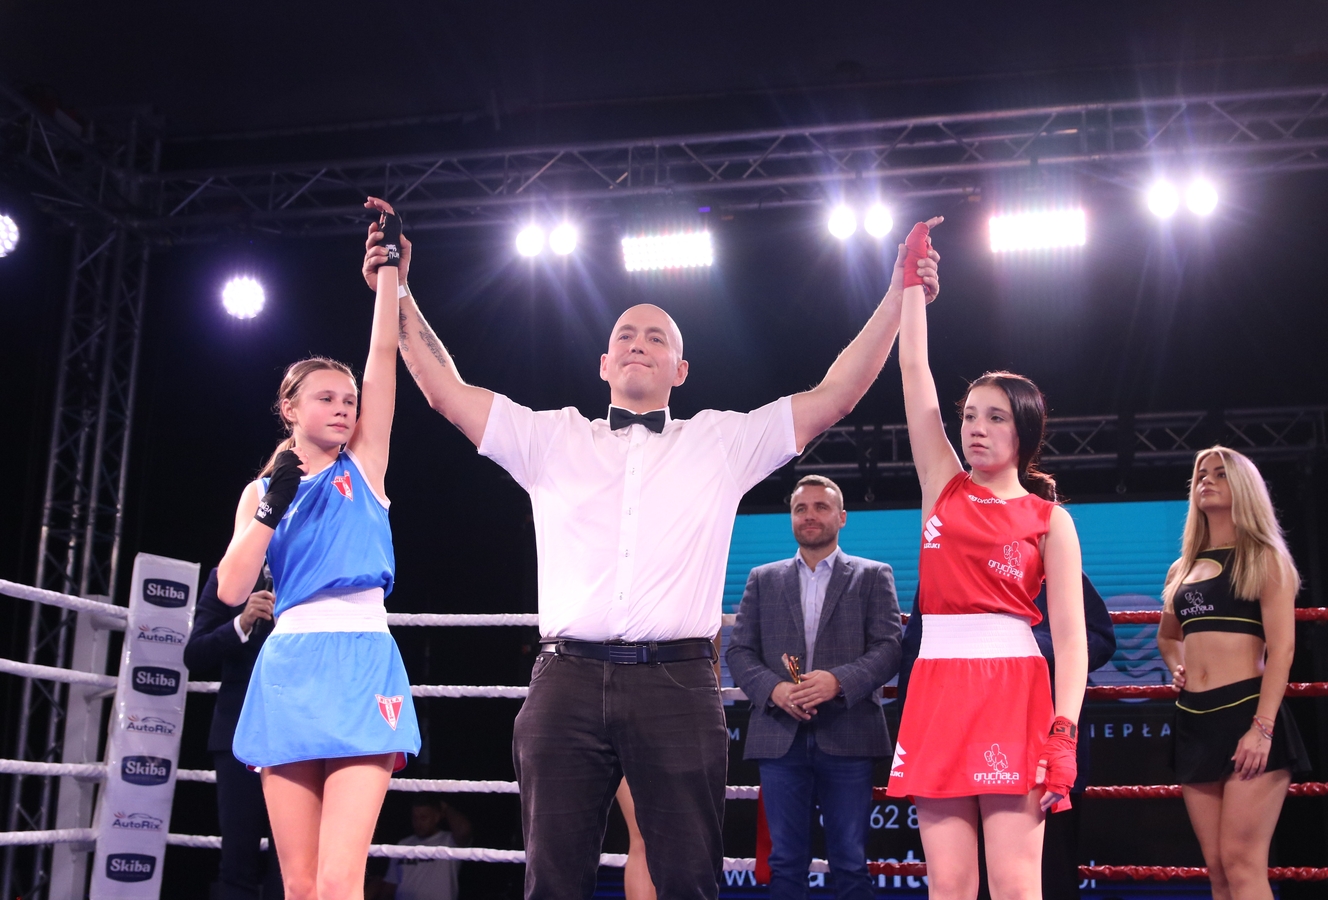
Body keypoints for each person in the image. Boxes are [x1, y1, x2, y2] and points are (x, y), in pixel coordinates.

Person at [363, 207, 940, 900]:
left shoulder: (721, 442)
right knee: (552, 882)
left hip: (678, 683)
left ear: (680, 368)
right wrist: (397, 288)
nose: (639, 343)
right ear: (604, 363)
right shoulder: (551, 438)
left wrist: (897, 292)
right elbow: (445, 391)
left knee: (689, 880)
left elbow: (836, 395)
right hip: (565, 680)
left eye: (656, 336)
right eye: (625, 335)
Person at [217, 197, 421, 900]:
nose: (343, 407)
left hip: (362, 658)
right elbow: (231, 590)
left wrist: (390, 272)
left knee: (339, 878)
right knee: (300, 886)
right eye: (326, 398)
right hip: (290, 664)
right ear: (290, 409)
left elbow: (383, 357)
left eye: (348, 399)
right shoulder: (259, 491)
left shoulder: (364, 467)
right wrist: (269, 507)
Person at [886, 230, 1088, 900]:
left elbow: (1072, 638)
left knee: (1015, 884)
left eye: (994, 417)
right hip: (937, 687)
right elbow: (913, 369)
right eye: (970, 415)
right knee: (947, 886)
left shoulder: (1050, 520)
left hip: (1014, 692)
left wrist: (1064, 730)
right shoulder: (941, 484)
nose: (975, 427)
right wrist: (912, 286)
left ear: (1022, 430)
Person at [727, 474, 902, 899]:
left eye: (821, 507)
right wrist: (774, 689)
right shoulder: (762, 578)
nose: (810, 516)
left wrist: (838, 681)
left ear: (841, 517)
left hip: (849, 734)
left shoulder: (873, 575)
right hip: (779, 737)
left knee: (850, 862)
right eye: (800, 508)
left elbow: (889, 648)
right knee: (785, 863)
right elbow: (739, 651)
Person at [897, 575, 1117, 900]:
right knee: (955, 882)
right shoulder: (945, 568)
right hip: (955, 739)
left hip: (1036, 744)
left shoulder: (1051, 569)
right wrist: (911, 740)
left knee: (1040, 879)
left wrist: (1023, 649)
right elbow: (915, 651)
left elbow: (1099, 638)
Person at [1156, 446, 1308, 900]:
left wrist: (1262, 729)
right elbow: (1168, 637)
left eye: (1220, 474)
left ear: (1243, 486)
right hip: (1194, 719)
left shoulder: (1264, 558)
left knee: (1243, 864)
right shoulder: (1182, 568)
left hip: (1246, 714)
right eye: (1202, 473)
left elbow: (1282, 649)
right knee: (1219, 871)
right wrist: (1177, 667)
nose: (1207, 480)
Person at [183, 567, 284, 900]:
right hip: (238, 731)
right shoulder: (228, 576)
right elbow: (195, 654)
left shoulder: (310, 571)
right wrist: (241, 623)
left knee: (291, 864)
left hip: (297, 732)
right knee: (237, 859)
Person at [378, 796, 463, 900]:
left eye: (423, 818)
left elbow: (463, 830)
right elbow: (391, 884)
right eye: (415, 818)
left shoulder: (449, 841)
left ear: (436, 817)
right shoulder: (403, 844)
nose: (418, 823)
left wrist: (445, 807)